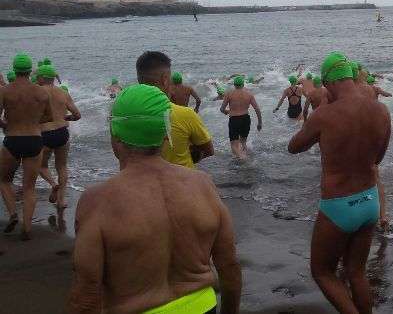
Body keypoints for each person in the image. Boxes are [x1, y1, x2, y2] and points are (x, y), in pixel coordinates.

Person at [68, 84, 241, 313]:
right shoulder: (203, 185)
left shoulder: (97, 201)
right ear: (166, 134)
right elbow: (229, 267)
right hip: (203, 305)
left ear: (115, 134)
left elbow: (87, 294)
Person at [288, 52, 391, 314]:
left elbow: (294, 146)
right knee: (356, 272)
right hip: (370, 201)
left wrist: (321, 112)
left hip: (339, 206)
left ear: (330, 82)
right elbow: (378, 158)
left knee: (322, 272)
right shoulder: (381, 110)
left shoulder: (325, 115)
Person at [0, 54, 53, 240]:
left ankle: (13, 213)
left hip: (12, 139)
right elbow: (49, 117)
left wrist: (6, 125)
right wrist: (32, 121)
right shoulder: (42, 92)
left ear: (14, 69)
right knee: (29, 187)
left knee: (4, 180)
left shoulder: (5, 91)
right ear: (31, 71)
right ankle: (27, 229)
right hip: (34, 140)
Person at [136, 51, 214, 169]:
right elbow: (208, 150)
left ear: (139, 79)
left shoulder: (122, 114)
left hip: (144, 178)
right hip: (183, 176)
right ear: (165, 79)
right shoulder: (187, 114)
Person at [35, 64, 81, 211]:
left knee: (40, 166)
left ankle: (53, 184)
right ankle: (61, 200)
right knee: (62, 166)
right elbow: (77, 115)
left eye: (37, 76)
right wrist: (65, 118)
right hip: (62, 132)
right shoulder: (63, 93)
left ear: (42, 78)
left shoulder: (37, 92)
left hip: (44, 134)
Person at [221, 76, 263, 159]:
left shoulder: (229, 94)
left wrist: (227, 112)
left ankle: (243, 159)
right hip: (245, 119)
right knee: (243, 142)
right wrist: (259, 123)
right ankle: (246, 156)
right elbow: (257, 109)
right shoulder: (249, 94)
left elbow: (222, 109)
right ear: (243, 84)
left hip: (234, 120)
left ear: (234, 85)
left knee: (234, 145)